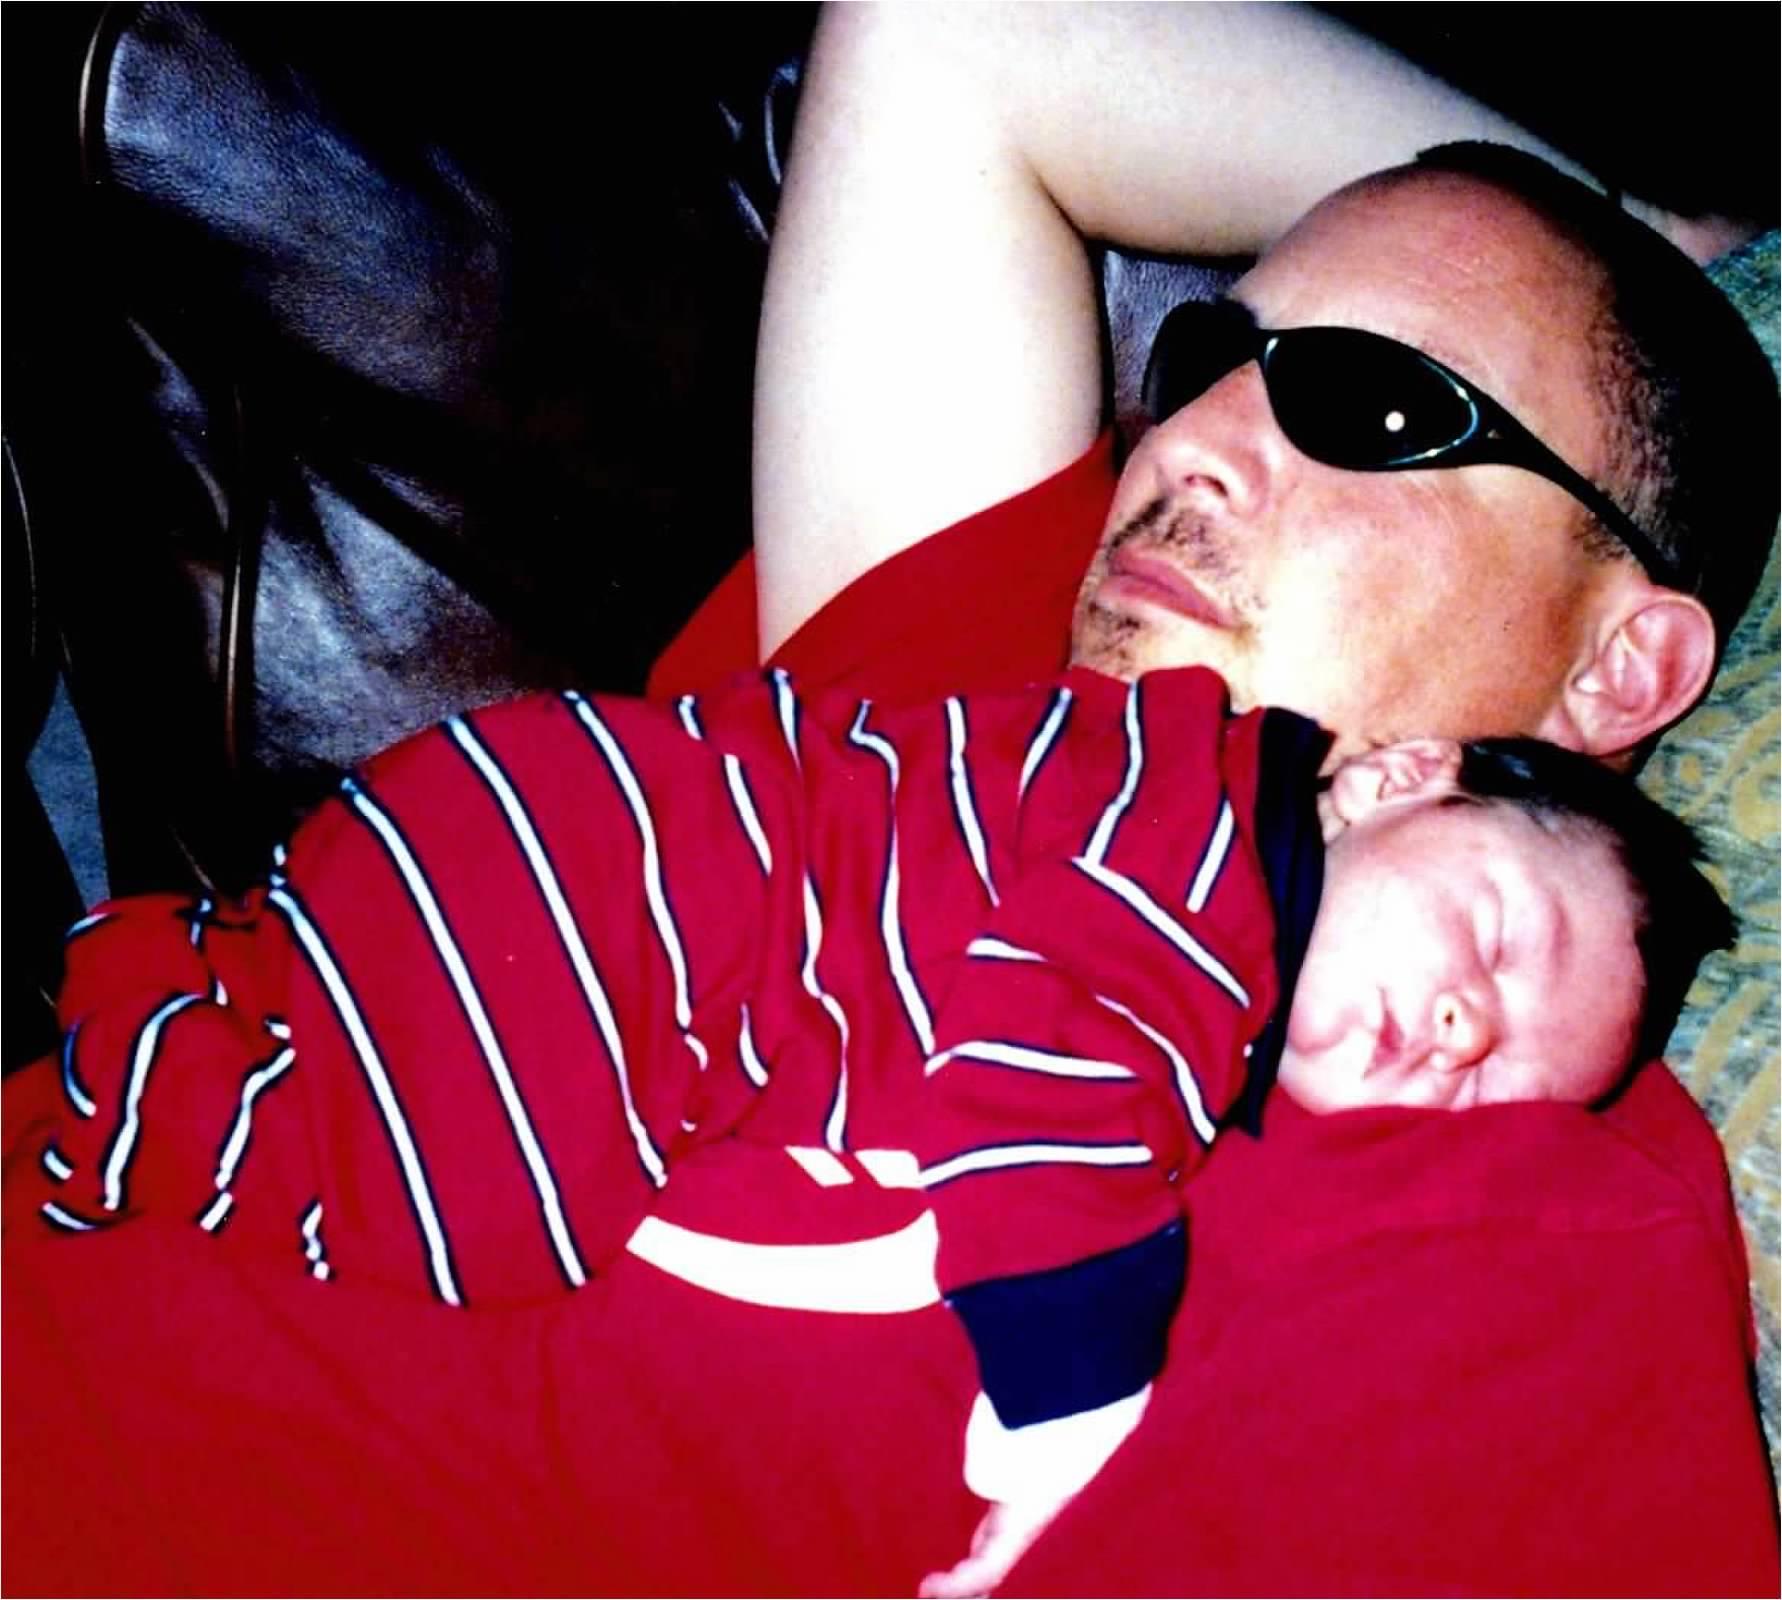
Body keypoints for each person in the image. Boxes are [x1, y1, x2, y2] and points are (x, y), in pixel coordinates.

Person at [12, 657, 1734, 1591]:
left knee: (408, 1160)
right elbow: (1045, 1099)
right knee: (448, 1217)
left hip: (526, 861)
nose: (1456, 1030)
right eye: (1490, 937)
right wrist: (1064, 1441)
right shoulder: (1198, 861)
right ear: (1395, 777)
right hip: (600, 904)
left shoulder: (1205, 907)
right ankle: (159, 1064)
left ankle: (211, 1015)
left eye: (1493, 1071)